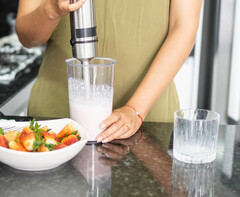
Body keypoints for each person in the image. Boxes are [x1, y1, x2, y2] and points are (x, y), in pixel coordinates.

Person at [15, 0, 203, 143]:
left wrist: (136, 109)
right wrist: (51, 9)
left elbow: (183, 26)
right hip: (56, 114)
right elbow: (28, 37)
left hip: (147, 116)